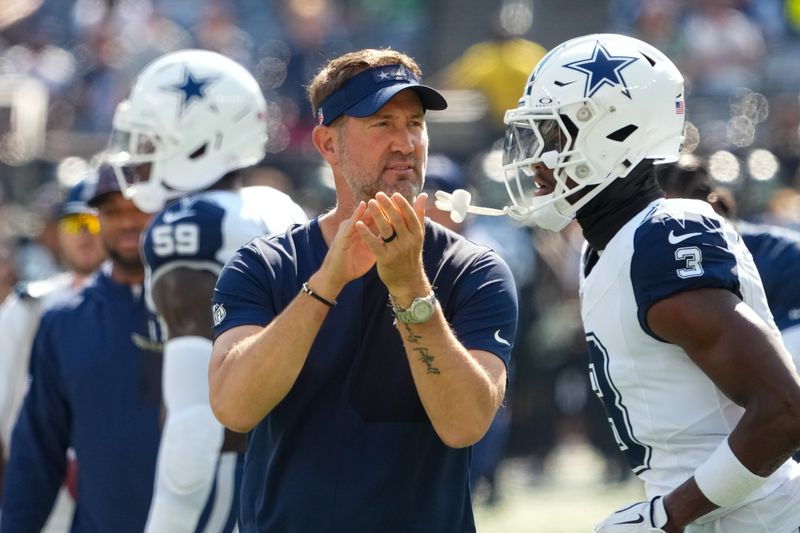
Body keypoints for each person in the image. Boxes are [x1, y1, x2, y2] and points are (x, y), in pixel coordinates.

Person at [477, 33, 800, 532]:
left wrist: (668, 515)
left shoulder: (661, 238)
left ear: (613, 133)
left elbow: (783, 410)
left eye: (552, 136)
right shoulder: (606, 245)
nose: (536, 158)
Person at [208, 48, 518, 532]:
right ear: (328, 144)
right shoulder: (264, 265)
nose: (406, 142)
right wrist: (327, 282)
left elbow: (464, 425)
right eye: (382, 124)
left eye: (415, 123)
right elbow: (234, 407)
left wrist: (410, 287)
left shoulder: (473, 269)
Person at [102, 49, 308, 532]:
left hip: (224, 471)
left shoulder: (190, 224)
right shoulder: (276, 207)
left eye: (151, 135)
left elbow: (196, 414)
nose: (139, 150)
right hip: (293, 457)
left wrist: (169, 520)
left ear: (200, 141)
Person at [0, 166, 161, 533]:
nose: (125, 223)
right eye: (111, 212)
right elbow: (35, 445)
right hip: (76, 512)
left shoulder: (194, 304)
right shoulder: (54, 315)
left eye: (137, 209)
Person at [0, 176, 106, 532]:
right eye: (73, 222)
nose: (84, 233)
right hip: (38, 473)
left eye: (93, 221)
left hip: (108, 480)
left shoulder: (140, 309)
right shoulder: (29, 305)